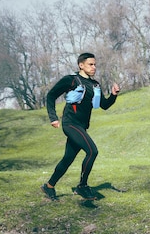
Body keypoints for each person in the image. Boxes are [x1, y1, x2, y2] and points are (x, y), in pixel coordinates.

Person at [41, 52, 120, 201]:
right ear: (81, 65)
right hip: (70, 123)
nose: (94, 67)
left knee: (68, 158)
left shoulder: (95, 85)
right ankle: (82, 186)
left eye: (95, 64)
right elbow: (51, 95)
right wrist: (53, 117)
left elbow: (104, 105)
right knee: (92, 151)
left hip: (82, 126)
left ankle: (49, 186)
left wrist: (114, 95)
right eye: (91, 64)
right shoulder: (71, 80)